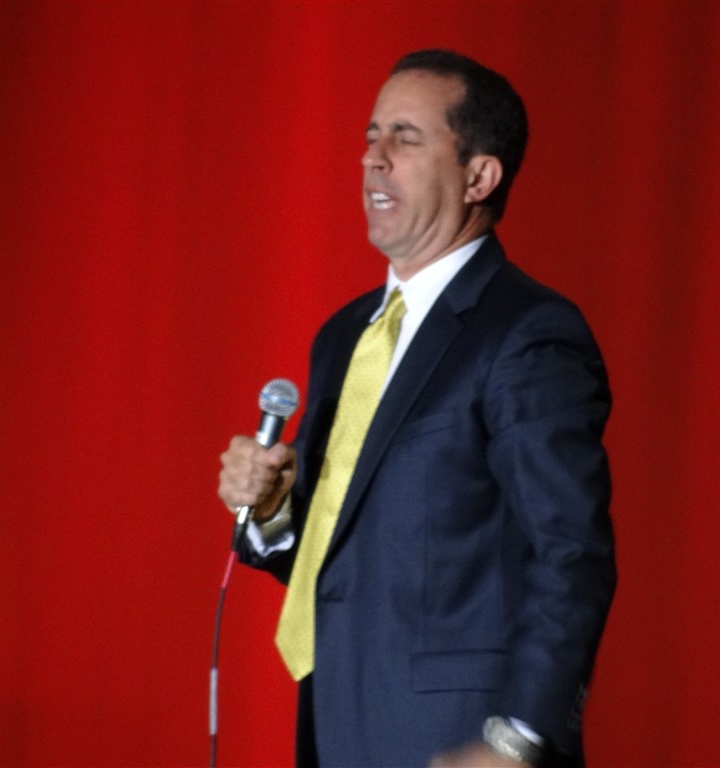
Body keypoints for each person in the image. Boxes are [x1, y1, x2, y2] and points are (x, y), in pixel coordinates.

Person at [218, 49, 615, 768]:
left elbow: (572, 551)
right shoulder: (344, 335)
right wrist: (274, 513)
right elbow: (351, 557)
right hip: (337, 726)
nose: (373, 158)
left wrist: (518, 739)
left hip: (461, 740)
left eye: (405, 137)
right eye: (371, 135)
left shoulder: (526, 333)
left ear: (479, 177)